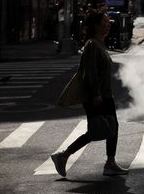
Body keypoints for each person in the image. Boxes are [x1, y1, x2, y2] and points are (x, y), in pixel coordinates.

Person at [50, 10, 129, 178]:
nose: (108, 26)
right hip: (97, 96)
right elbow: (90, 72)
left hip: (105, 94)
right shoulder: (92, 45)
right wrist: (95, 95)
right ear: (95, 26)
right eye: (104, 23)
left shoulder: (100, 43)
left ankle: (110, 163)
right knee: (96, 130)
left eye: (109, 23)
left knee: (112, 127)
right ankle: (63, 156)